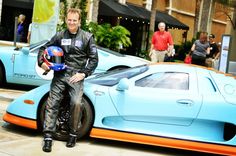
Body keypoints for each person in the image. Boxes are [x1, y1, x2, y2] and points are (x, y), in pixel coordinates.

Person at [37, 8, 98, 152]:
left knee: (76, 103)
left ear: (79, 21)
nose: (71, 23)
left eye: (74, 20)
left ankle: (72, 134)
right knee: (52, 103)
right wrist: (42, 63)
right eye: (69, 20)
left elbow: (94, 59)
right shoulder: (59, 36)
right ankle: (48, 137)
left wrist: (83, 73)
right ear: (66, 20)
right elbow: (43, 49)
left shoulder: (87, 37)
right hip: (60, 74)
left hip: (76, 76)